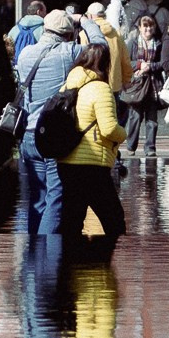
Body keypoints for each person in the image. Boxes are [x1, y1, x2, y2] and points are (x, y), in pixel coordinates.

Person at [16, 7, 79, 237]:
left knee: (37, 198)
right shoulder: (69, 52)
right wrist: (88, 22)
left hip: (28, 134)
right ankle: (48, 254)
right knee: (56, 198)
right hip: (52, 134)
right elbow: (101, 48)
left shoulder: (25, 54)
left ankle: (34, 254)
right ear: (67, 33)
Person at [59, 40, 127, 251]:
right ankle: (99, 271)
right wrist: (124, 134)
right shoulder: (100, 88)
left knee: (72, 220)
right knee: (114, 221)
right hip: (92, 163)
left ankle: (68, 273)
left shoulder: (68, 85)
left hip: (66, 161)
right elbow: (108, 128)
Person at [121, 8, 169, 164]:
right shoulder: (132, 43)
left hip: (153, 85)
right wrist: (140, 64)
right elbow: (127, 62)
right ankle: (131, 145)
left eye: (150, 26)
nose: (148, 29)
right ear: (140, 28)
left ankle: (150, 147)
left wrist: (151, 67)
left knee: (152, 119)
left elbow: (163, 63)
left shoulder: (159, 44)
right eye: (145, 26)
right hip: (137, 84)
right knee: (135, 117)